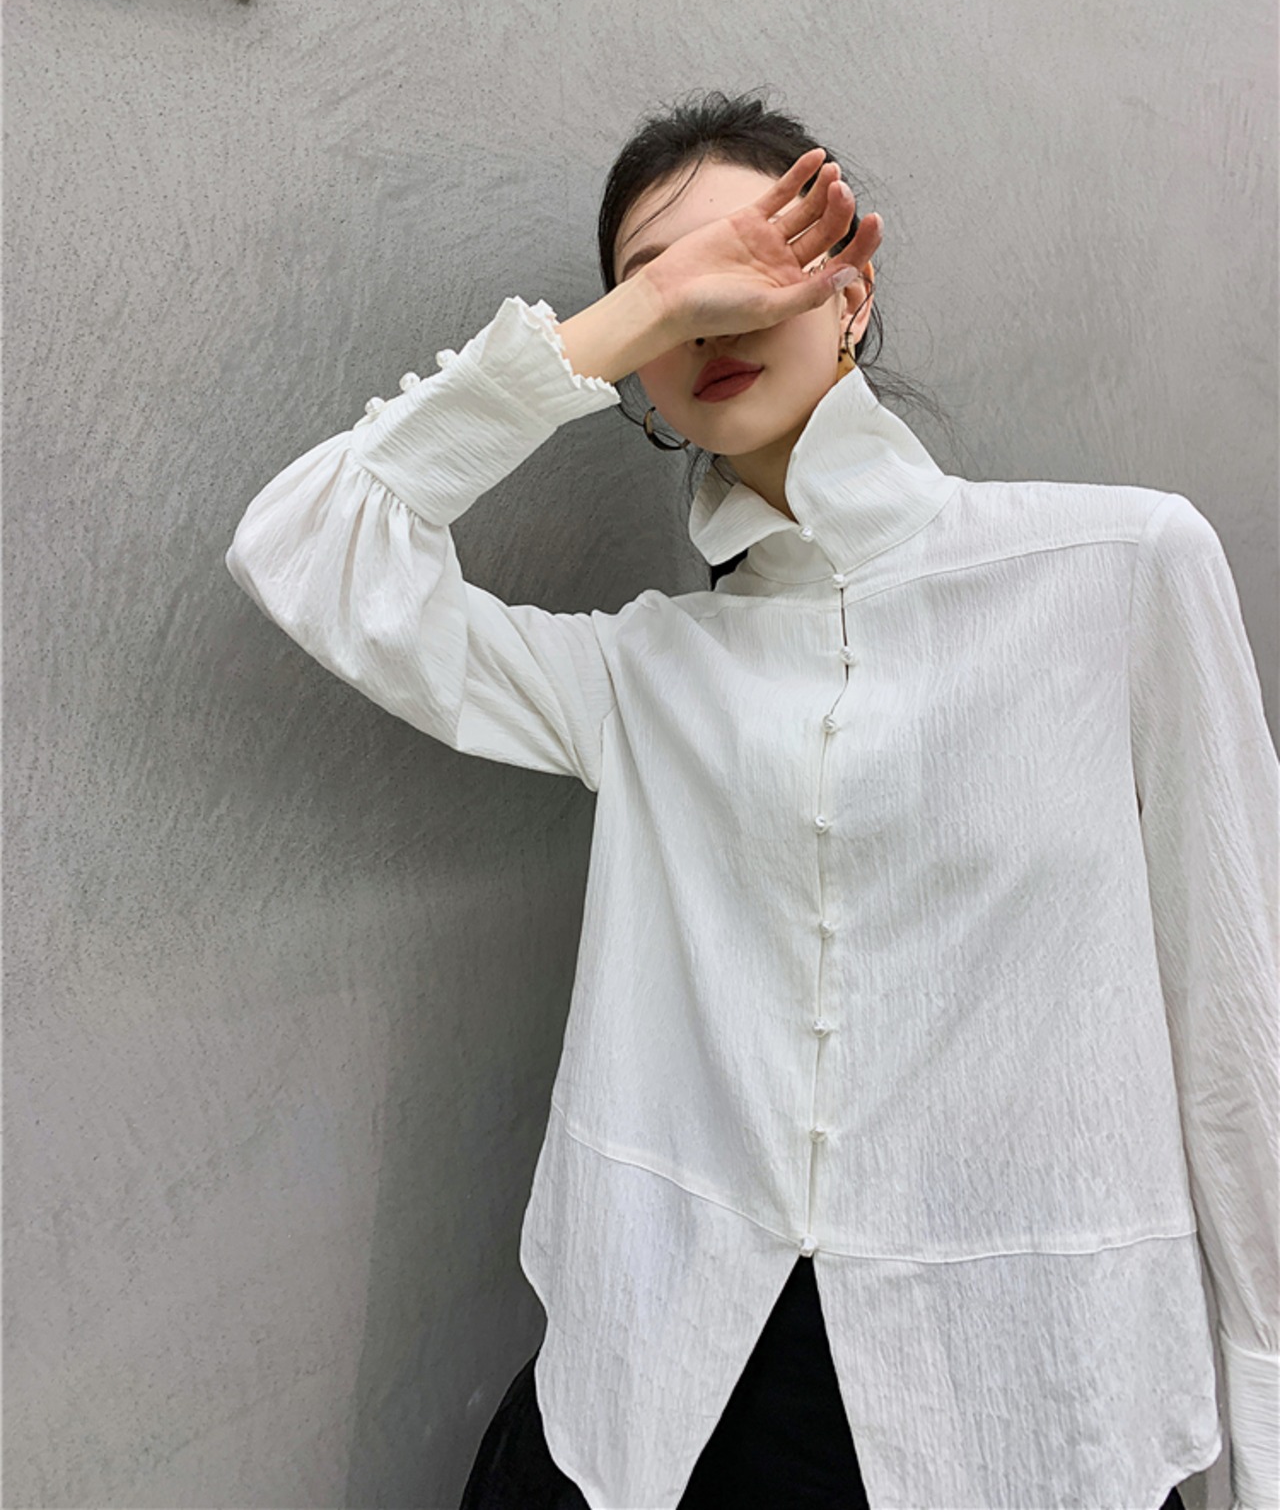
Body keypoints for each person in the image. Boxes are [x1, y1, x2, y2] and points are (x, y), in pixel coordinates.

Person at [225, 91, 1276, 1510]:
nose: (712, 313)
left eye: (754, 256)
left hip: (1023, 1406)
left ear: (850, 291)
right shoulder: (643, 672)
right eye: (664, 290)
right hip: (651, 1408)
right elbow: (306, 547)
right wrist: (622, 324)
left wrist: (1259, 1435)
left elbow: (1238, 1032)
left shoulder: (1122, 570)